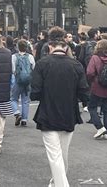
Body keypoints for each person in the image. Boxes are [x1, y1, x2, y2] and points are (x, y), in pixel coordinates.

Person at [30, 36, 89, 187]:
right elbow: (84, 91)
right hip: (69, 112)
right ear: (66, 47)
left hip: (48, 112)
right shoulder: (76, 65)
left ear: (50, 47)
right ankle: (55, 182)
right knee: (63, 153)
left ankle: (61, 184)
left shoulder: (42, 64)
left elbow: (35, 92)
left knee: (54, 155)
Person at [11, 39, 35, 127]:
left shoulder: (14, 56)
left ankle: (17, 113)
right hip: (27, 81)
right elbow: (33, 67)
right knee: (25, 100)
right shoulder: (30, 57)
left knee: (13, 98)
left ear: (17, 47)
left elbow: (12, 69)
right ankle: (24, 119)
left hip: (17, 80)